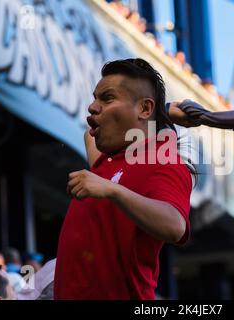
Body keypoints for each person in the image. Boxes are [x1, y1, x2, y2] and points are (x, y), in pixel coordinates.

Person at [54, 58, 193, 300]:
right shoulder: (109, 158)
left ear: (144, 109)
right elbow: (90, 133)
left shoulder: (162, 160)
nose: (92, 107)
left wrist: (113, 191)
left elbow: (175, 226)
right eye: (95, 98)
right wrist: (165, 111)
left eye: (107, 98)